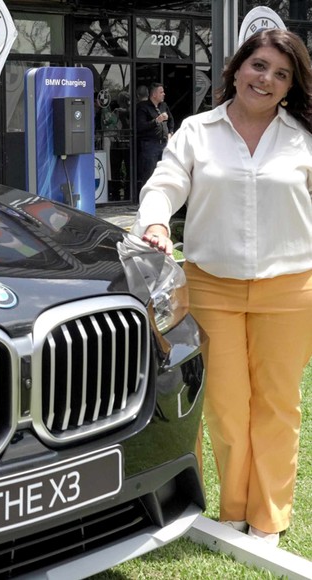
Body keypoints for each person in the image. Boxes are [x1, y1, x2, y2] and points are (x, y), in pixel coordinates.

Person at [132, 28, 312, 546]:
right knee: (227, 404)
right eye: (259, 66)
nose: (268, 80)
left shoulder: (302, 136)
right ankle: (233, 509)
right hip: (211, 287)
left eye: (281, 74)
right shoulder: (196, 130)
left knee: (278, 404)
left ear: (289, 85)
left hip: (291, 289)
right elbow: (163, 186)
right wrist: (157, 225)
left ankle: (269, 516)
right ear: (236, 68)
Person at [135, 82, 174, 187]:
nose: (164, 94)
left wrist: (170, 133)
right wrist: (157, 120)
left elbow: (171, 120)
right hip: (150, 146)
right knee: (149, 175)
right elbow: (141, 126)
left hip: (164, 144)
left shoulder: (164, 106)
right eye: (161, 92)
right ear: (154, 94)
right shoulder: (143, 107)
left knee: (165, 174)